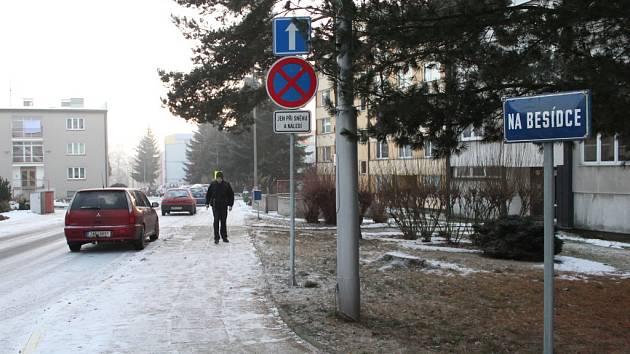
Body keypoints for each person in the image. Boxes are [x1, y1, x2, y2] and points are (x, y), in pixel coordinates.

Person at [205, 171, 234, 244]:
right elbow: (208, 194)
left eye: (220, 178)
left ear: (222, 178)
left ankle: (224, 237)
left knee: (223, 222)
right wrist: (207, 203)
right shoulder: (213, 184)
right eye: (217, 178)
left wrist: (230, 205)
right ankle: (216, 238)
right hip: (215, 206)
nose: (219, 180)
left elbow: (231, 195)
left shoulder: (226, 184)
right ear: (216, 178)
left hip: (224, 206)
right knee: (216, 221)